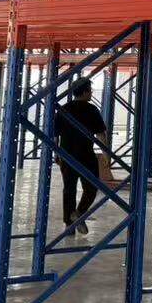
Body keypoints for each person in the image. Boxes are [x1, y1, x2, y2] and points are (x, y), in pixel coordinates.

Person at [54, 78, 109, 236]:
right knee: (91, 188)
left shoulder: (63, 109)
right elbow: (101, 134)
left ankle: (70, 224)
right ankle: (78, 213)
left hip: (67, 155)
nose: (91, 93)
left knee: (69, 189)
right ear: (84, 92)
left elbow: (55, 135)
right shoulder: (92, 110)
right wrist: (106, 155)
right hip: (86, 155)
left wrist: (57, 153)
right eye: (90, 91)